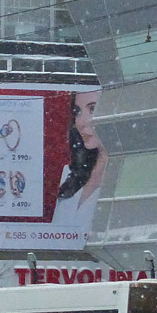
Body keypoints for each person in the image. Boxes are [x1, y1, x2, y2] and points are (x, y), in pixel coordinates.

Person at [52, 89, 106, 227]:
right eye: (77, 112)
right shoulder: (70, 173)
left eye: (92, 109)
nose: (80, 122)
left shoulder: (130, 174)